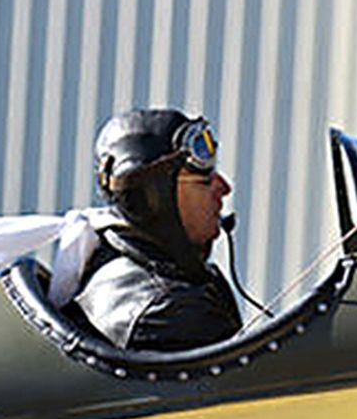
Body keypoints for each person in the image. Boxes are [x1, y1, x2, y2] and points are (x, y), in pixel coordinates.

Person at [71, 108, 243, 350]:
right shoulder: (171, 313)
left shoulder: (107, 264)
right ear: (154, 199)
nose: (224, 188)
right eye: (205, 181)